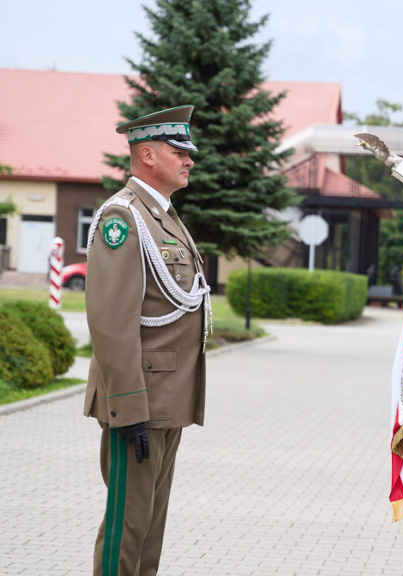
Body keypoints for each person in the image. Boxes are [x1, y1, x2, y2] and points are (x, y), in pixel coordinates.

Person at [83, 105, 211, 575]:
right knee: (127, 523)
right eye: (180, 152)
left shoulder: (165, 218)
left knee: (150, 525)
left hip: (168, 398)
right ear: (149, 154)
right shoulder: (123, 219)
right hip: (138, 400)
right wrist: (128, 407)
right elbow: (111, 324)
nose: (189, 160)